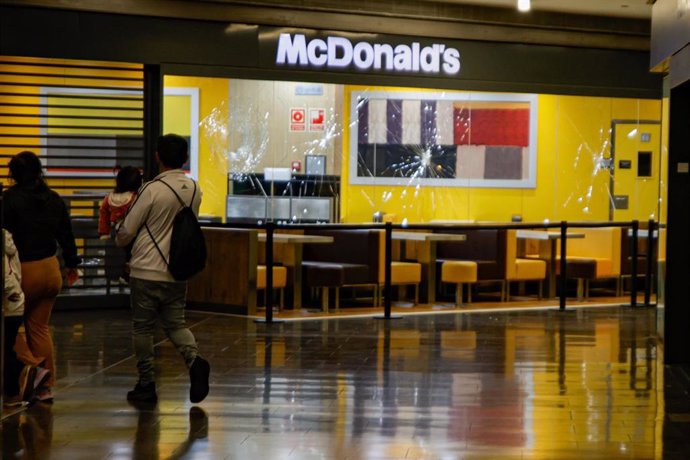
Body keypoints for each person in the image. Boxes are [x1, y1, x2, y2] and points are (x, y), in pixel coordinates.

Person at [116, 133, 210, 404]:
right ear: (185, 158)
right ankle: (194, 360)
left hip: (146, 269)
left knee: (143, 328)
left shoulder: (151, 189)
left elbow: (128, 230)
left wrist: (119, 238)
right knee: (176, 323)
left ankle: (146, 384)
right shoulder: (194, 189)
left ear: (158, 157)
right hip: (177, 270)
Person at [3, 151, 80, 404]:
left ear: (14, 174)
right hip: (50, 269)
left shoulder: (9, 200)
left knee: (8, 327)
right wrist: (72, 264)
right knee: (39, 328)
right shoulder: (54, 199)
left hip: (24, 270)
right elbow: (66, 234)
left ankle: (31, 369)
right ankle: (45, 387)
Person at [2, 230, 50, 407]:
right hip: (14, 304)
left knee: (4, 349)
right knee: (7, 348)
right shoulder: (7, 239)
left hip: (8, 304)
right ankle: (27, 377)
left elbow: (6, 280)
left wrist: (12, 294)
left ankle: (16, 389)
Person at [98, 165, 142, 282]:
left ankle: (115, 275)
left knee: (115, 256)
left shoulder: (109, 197)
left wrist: (104, 232)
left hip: (114, 231)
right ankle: (127, 273)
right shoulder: (135, 198)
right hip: (132, 232)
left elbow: (104, 215)